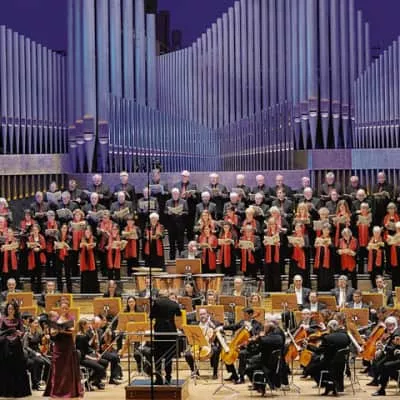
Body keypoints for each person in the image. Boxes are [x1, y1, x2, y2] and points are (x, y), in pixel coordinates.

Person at [44, 300, 83, 397]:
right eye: (63, 308)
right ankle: (56, 391)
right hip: (58, 346)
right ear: (60, 308)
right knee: (58, 368)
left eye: (66, 308)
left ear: (68, 308)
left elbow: (74, 331)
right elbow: (52, 332)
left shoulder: (72, 318)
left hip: (68, 345)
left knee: (67, 369)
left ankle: (68, 391)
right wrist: (56, 331)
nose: (64, 310)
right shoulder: (56, 319)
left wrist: (63, 331)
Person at [150, 289, 182, 385]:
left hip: (159, 332)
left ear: (160, 295)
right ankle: (168, 378)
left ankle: (159, 379)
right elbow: (179, 315)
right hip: (171, 332)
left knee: (157, 356)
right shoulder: (174, 304)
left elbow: (151, 316)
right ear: (168, 295)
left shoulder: (156, 303)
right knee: (169, 357)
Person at [0, 301, 31, 398]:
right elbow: (0, 331)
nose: (11, 310)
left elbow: (22, 331)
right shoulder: (2, 319)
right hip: (5, 345)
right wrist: (9, 331)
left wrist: (19, 333)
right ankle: (6, 391)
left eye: (12, 309)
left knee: (17, 367)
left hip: (16, 346)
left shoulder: (18, 319)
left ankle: (17, 391)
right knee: (6, 367)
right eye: (9, 308)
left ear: (15, 310)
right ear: (7, 309)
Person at [184, 307, 221, 379]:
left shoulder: (214, 323)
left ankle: (215, 373)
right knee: (187, 354)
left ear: (207, 314)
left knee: (216, 350)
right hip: (197, 345)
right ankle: (195, 371)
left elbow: (219, 333)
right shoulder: (194, 324)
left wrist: (213, 328)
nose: (202, 316)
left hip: (209, 344)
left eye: (204, 314)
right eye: (200, 314)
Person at [370, 316, 400, 396]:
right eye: (387, 325)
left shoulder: (397, 334)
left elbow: (393, 348)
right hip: (393, 356)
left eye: (390, 325)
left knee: (385, 366)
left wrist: (383, 347)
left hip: (397, 357)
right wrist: (381, 348)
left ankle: (381, 389)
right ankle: (381, 387)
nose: (388, 327)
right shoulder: (395, 332)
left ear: (394, 324)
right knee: (379, 364)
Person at [75, 318, 106, 389]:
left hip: (85, 357)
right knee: (101, 368)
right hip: (82, 359)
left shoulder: (84, 335)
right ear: (83, 325)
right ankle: (88, 382)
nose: (89, 325)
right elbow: (83, 353)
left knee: (104, 363)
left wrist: (95, 353)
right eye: (87, 324)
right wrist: (93, 358)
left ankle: (96, 382)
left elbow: (87, 347)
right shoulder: (81, 337)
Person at [23, 316, 51, 391]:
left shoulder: (38, 333)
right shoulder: (27, 334)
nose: (37, 324)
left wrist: (47, 338)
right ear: (31, 324)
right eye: (35, 323)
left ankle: (43, 381)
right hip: (30, 353)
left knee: (49, 363)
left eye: (37, 323)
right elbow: (25, 347)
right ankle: (36, 384)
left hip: (38, 352)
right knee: (39, 361)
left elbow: (42, 343)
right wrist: (35, 353)